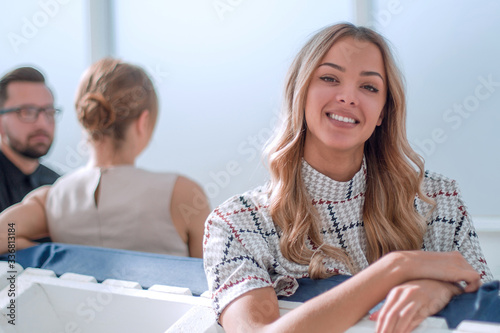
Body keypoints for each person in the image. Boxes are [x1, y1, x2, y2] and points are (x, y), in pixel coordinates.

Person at [203, 23, 497, 332]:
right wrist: (398, 268)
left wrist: (442, 288)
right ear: (300, 93)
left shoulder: (437, 199)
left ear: (383, 111)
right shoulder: (237, 223)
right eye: (329, 78)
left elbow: (485, 301)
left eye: (369, 87)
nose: (348, 97)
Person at [0, 58, 210, 258]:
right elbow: (218, 287)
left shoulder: (52, 198)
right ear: (143, 122)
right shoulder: (183, 194)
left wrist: (55, 258)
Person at [0, 67, 60, 213]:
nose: (42, 123)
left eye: (49, 112)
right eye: (27, 112)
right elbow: (9, 234)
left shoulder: (58, 186)